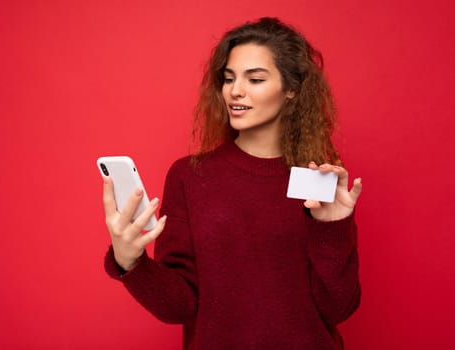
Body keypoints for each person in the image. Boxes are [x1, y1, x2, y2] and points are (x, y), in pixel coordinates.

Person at [102, 17, 362, 350]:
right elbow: (178, 306)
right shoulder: (191, 176)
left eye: (255, 79)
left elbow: (339, 307)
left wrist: (334, 229)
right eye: (228, 78)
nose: (235, 90)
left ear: (291, 90)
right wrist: (130, 262)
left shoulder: (316, 178)